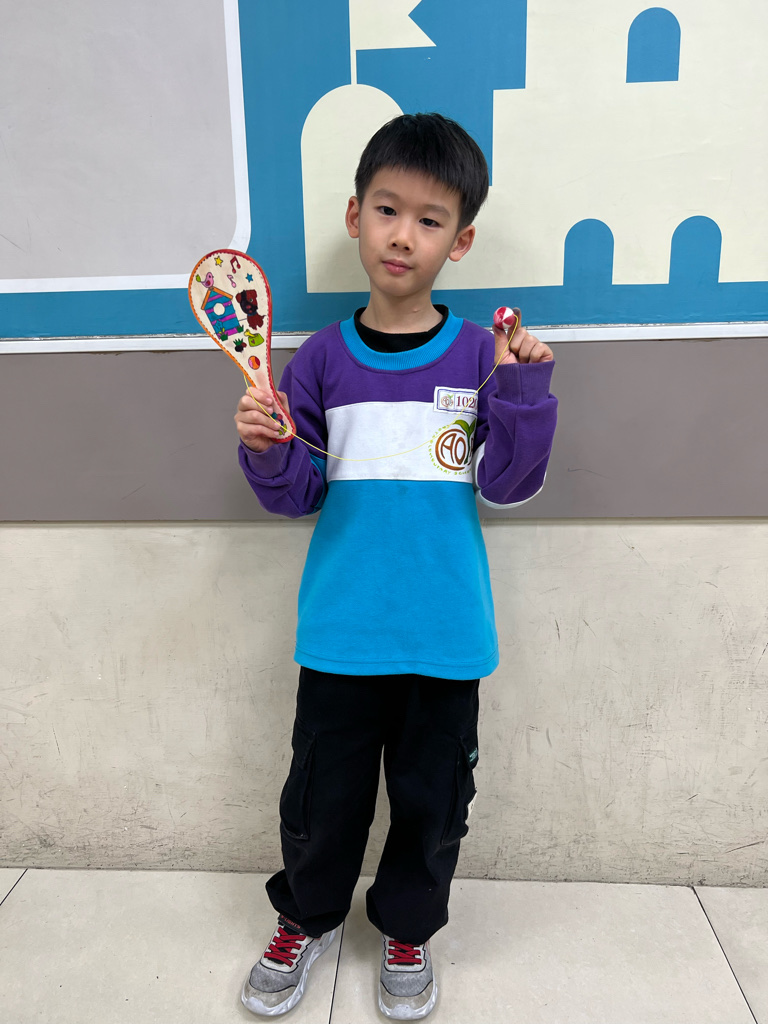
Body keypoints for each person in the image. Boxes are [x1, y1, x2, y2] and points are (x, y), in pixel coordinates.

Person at [234, 112, 558, 1020]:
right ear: (354, 217)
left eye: (429, 218)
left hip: (446, 634)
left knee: (433, 802)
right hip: (342, 631)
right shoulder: (319, 360)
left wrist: (523, 390)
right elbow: (297, 494)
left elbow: (508, 487)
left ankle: (409, 927)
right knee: (321, 798)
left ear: (461, 240)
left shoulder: (480, 355)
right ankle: (306, 916)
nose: (402, 234)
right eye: (386, 209)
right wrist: (265, 446)